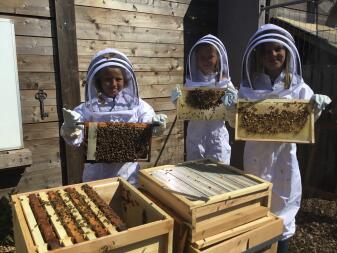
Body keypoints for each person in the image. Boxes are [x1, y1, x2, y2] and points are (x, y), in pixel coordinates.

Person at [222, 24, 332, 253]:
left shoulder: (298, 86)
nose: (273, 54)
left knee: (284, 209)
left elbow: (308, 119)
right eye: (267, 51)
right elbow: (235, 123)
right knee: (256, 209)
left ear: (287, 52)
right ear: (259, 56)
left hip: (285, 160)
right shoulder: (249, 87)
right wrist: (231, 108)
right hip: (255, 159)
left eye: (278, 49)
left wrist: (316, 107)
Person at [60, 48, 167, 186]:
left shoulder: (138, 105)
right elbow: (75, 139)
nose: (114, 84)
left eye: (118, 79)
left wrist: (156, 125)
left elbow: (148, 123)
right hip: (96, 174)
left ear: (126, 79)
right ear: (99, 81)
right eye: (107, 79)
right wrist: (71, 128)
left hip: (128, 173)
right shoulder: (87, 108)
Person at [171, 34, 236, 164]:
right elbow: (186, 113)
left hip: (217, 142)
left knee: (218, 179)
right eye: (202, 57)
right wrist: (177, 102)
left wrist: (232, 106)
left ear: (217, 58)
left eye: (210, 56)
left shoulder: (225, 84)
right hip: (195, 141)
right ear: (196, 59)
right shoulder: (190, 84)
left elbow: (233, 121)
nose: (206, 60)